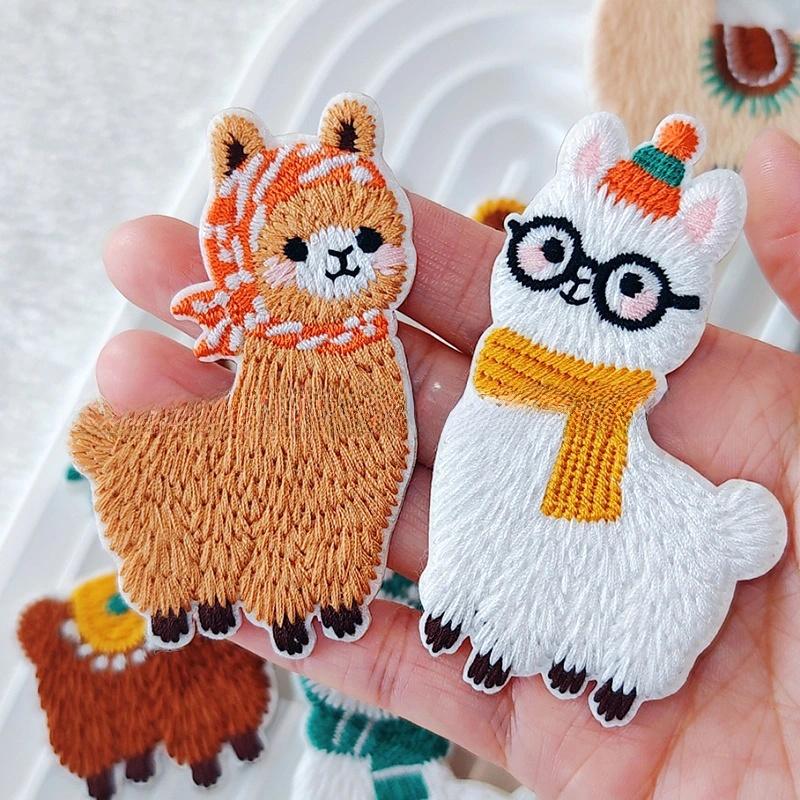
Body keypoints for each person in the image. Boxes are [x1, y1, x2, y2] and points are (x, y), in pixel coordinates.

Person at [98, 129, 800, 797]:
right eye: (556, 255)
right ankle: (469, 613)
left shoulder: (598, 418)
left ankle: (618, 665)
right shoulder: (488, 386)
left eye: (629, 288)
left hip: (629, 491)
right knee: (480, 510)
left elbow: (548, 551)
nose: (578, 290)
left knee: (579, 552)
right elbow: (474, 513)